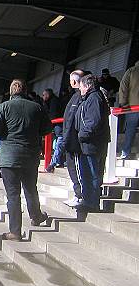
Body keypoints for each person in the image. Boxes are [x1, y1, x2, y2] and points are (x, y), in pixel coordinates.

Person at [0, 79, 53, 241]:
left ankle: (15, 231)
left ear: (11, 92)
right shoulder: (36, 107)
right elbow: (47, 128)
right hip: (30, 156)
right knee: (31, 189)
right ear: (25, 91)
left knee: (13, 195)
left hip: (9, 158)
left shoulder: (3, 107)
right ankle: (36, 216)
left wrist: (6, 132)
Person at [75, 74, 111, 213]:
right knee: (90, 173)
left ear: (87, 86)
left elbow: (93, 121)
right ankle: (89, 200)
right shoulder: (93, 97)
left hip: (92, 142)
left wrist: (82, 135)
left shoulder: (94, 98)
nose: (80, 90)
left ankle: (91, 202)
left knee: (91, 173)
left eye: (81, 87)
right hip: (92, 141)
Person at [61, 70, 85, 207]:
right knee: (73, 169)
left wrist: (66, 139)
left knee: (76, 169)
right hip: (72, 139)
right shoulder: (76, 97)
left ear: (74, 82)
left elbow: (70, 120)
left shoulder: (78, 97)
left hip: (73, 140)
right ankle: (78, 195)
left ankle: (80, 195)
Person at [119, 59, 139, 160]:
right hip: (134, 106)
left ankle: (125, 152)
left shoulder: (131, 71)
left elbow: (123, 87)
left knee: (130, 129)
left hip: (133, 106)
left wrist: (123, 103)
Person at [42, 89, 64, 173]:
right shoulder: (50, 102)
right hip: (56, 126)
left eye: (44, 95)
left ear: (48, 95)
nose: (43, 97)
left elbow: (53, 114)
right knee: (57, 145)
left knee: (58, 144)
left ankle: (52, 164)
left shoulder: (54, 102)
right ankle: (58, 162)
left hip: (58, 126)